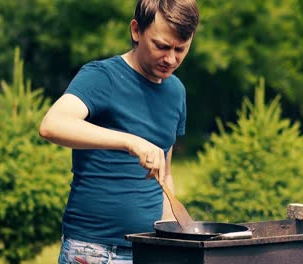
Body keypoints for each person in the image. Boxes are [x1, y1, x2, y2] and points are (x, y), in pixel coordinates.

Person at [38, 0, 199, 263]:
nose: (171, 59)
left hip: (148, 250)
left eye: (181, 49)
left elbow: (164, 175)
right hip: (93, 251)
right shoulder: (103, 77)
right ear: (136, 31)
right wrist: (130, 142)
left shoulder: (176, 92)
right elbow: (52, 124)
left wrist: (172, 238)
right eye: (161, 46)